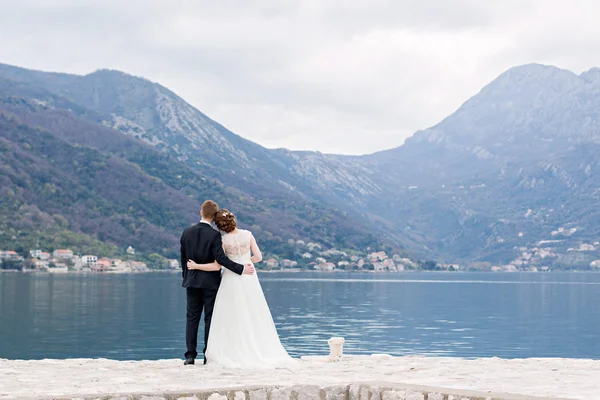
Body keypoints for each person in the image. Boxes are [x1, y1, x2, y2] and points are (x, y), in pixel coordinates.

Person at [187, 208, 296, 369]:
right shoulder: (248, 234)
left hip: (231, 278)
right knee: (253, 311)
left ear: (220, 226)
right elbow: (258, 257)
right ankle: (256, 347)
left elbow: (218, 265)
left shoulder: (223, 241)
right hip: (249, 276)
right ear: (234, 220)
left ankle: (232, 349)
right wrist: (246, 262)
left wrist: (196, 266)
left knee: (230, 314)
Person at [180, 200, 255, 366]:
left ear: (201, 212)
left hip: (191, 281)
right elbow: (221, 259)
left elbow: (183, 260)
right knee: (209, 319)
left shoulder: (186, 232)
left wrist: (187, 277)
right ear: (214, 217)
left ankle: (190, 356)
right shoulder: (214, 235)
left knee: (191, 318)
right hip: (211, 283)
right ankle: (208, 355)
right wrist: (241, 269)